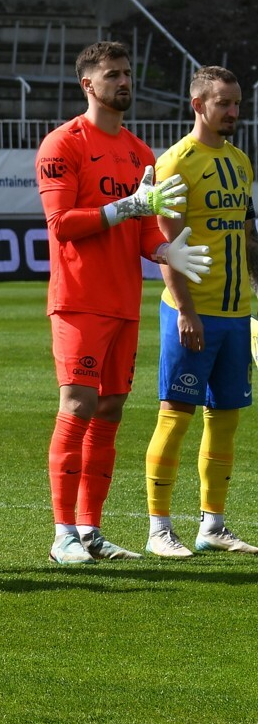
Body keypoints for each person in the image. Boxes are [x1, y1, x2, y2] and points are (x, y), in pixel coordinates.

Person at [38, 40, 209, 564]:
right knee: (78, 405)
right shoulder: (62, 144)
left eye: (128, 73)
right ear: (87, 84)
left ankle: (90, 530)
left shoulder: (139, 153)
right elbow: (61, 225)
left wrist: (164, 250)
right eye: (113, 74)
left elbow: (141, 230)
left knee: (110, 408)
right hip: (79, 300)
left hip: (124, 304)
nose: (124, 82)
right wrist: (124, 207)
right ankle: (62, 534)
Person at [143, 68, 255, 556]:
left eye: (236, 103)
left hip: (236, 313)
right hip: (192, 312)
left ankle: (213, 525)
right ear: (198, 105)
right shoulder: (175, 163)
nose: (233, 111)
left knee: (226, 417)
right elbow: (167, 246)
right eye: (223, 103)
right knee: (176, 415)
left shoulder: (240, 162)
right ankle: (159, 529)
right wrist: (185, 311)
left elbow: (247, 235)